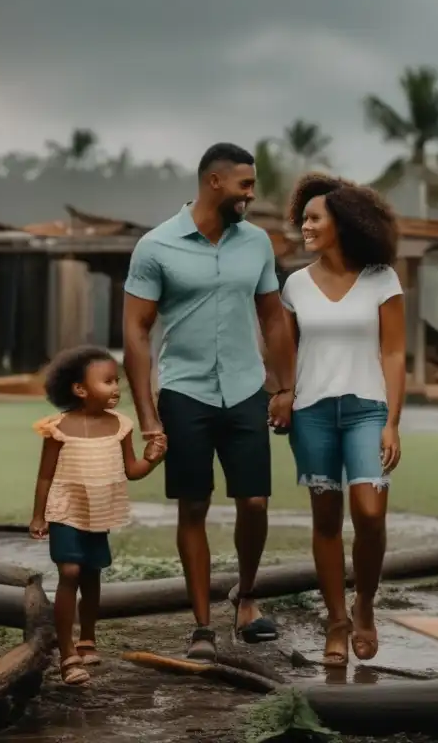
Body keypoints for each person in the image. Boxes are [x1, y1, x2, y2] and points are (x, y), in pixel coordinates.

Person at [122, 142, 295, 660]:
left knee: (255, 502)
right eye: (245, 184)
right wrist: (148, 416)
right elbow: (136, 332)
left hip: (245, 387)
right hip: (184, 390)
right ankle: (201, 626)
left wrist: (285, 386)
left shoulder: (257, 243)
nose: (251, 193)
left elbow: (273, 317)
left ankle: (246, 597)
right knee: (193, 506)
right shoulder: (156, 246)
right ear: (214, 182)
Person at [267, 173, 406, 666]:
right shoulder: (296, 285)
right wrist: (281, 393)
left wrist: (392, 421)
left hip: (368, 409)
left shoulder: (381, 279)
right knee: (326, 520)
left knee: (370, 514)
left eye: (314, 218)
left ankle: (364, 602)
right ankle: (336, 621)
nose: (304, 226)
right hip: (313, 414)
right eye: (303, 218)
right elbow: (285, 351)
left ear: (343, 223)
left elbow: (393, 353)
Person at [29, 346, 167, 685]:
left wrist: (153, 458)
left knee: (91, 574)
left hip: (100, 509)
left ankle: (87, 638)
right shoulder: (57, 428)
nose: (116, 388)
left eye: (116, 380)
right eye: (107, 381)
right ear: (80, 389)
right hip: (66, 507)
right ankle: (66, 655)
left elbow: (132, 471)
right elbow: (45, 475)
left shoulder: (121, 426)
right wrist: (38, 516)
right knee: (70, 571)